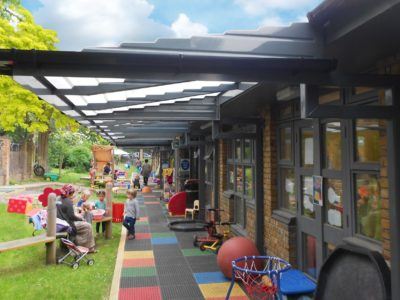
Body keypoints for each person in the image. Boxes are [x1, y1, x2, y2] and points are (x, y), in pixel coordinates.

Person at [56, 184, 97, 253]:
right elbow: (72, 217)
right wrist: (81, 219)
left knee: (84, 223)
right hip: (67, 224)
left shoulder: (59, 199)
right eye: (72, 194)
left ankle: (78, 244)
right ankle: (89, 248)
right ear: (69, 193)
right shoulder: (67, 201)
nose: (72, 195)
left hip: (60, 223)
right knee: (87, 226)